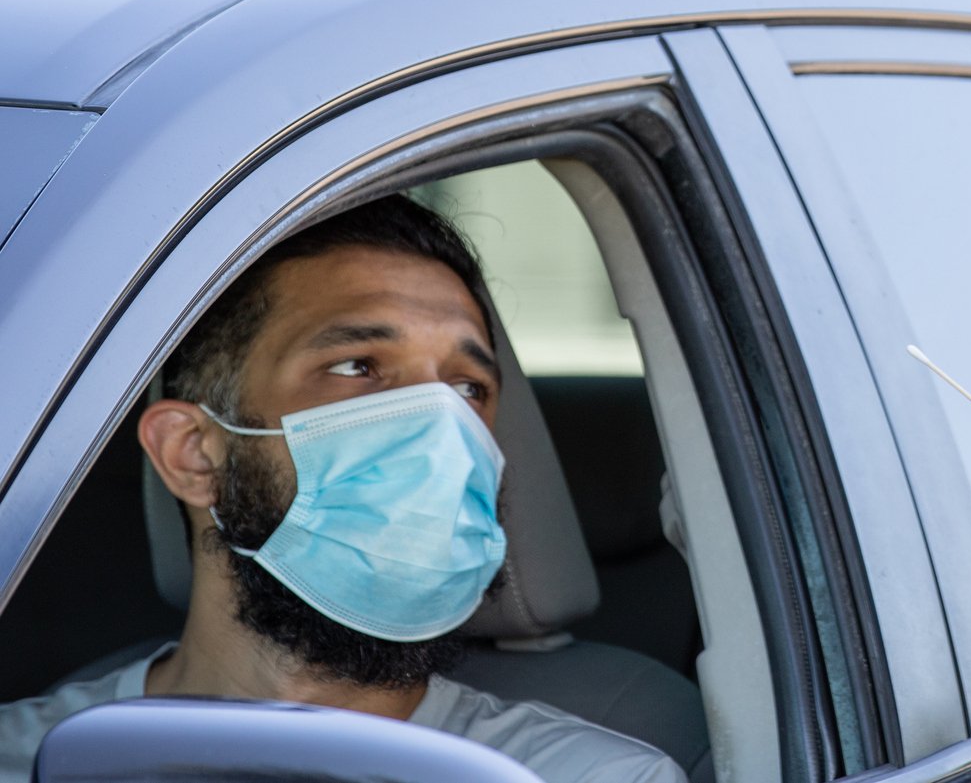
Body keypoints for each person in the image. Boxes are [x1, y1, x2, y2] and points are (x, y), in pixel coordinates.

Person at [0, 195, 685, 783]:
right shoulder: (24, 760)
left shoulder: (586, 777)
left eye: (467, 387)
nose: (436, 429)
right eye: (359, 365)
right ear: (194, 453)